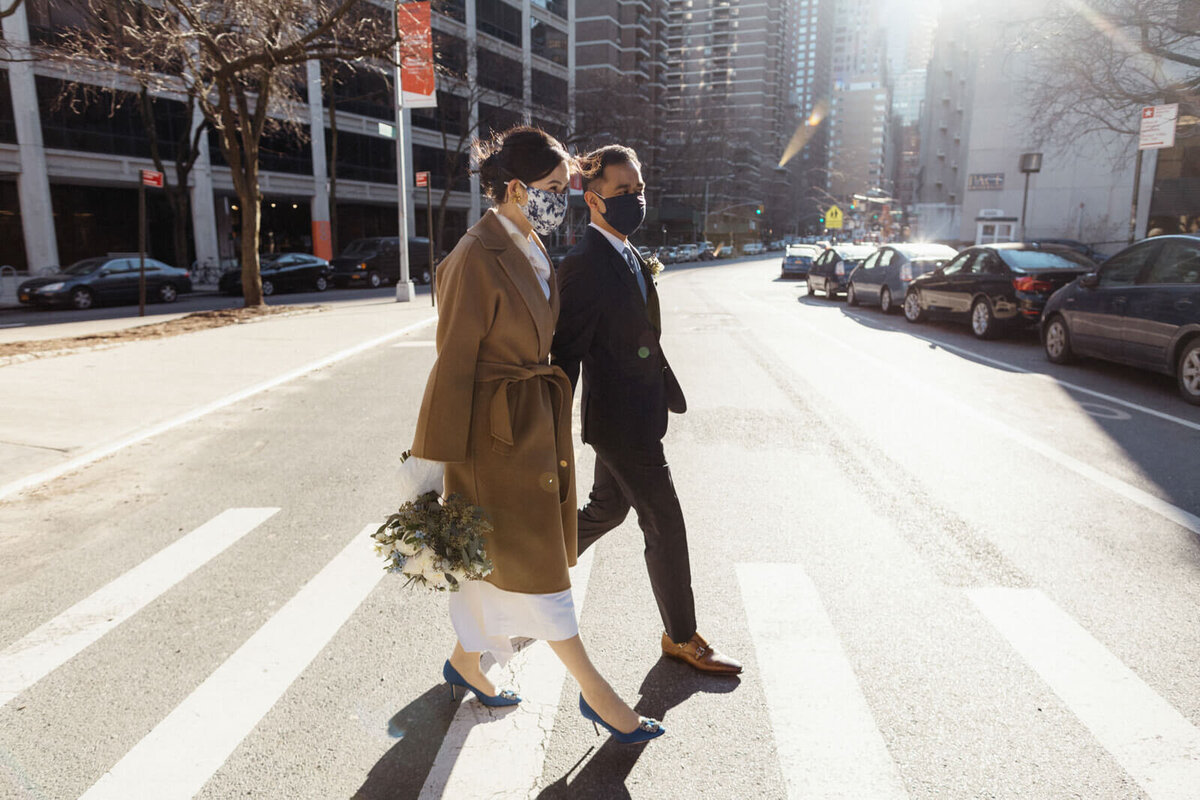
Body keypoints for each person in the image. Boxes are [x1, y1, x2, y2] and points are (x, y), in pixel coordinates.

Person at [410, 127, 664, 744]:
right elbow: (453, 365)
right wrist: (428, 471)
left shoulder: (528, 243)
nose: (561, 200)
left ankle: (466, 664)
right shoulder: (476, 255)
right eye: (553, 189)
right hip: (494, 443)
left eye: (563, 189)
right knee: (540, 571)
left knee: (500, 568)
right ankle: (600, 698)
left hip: (530, 428)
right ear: (518, 188)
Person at [551, 145, 743, 676]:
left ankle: (531, 575)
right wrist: (548, 433)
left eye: (639, 189)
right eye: (623, 192)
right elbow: (565, 355)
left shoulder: (629, 253)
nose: (636, 199)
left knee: (606, 511)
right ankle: (682, 637)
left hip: (640, 412)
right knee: (665, 524)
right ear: (593, 200)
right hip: (619, 425)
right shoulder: (585, 265)